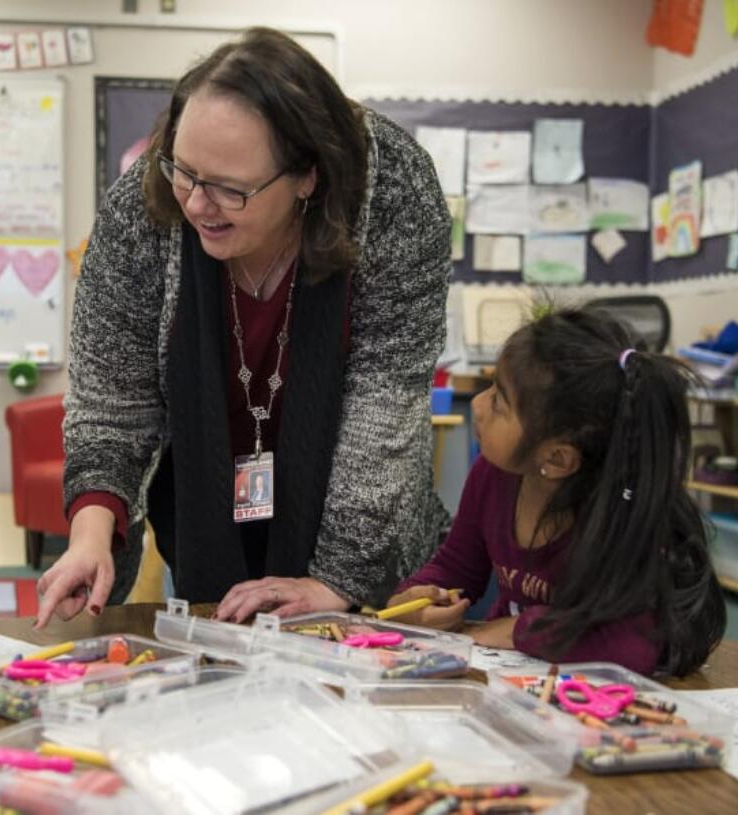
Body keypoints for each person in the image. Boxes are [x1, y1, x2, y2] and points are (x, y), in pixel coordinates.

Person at [36, 27, 452, 627]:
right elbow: (111, 405)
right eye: (184, 170)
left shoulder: (392, 192)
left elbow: (385, 405)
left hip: (358, 535)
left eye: (231, 190)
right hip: (206, 522)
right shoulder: (143, 204)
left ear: (308, 176)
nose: (197, 204)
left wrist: (335, 579)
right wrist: (91, 535)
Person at [385, 309, 726, 676]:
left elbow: (632, 643)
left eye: (499, 401)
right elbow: (456, 567)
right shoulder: (493, 475)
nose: (480, 406)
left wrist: (519, 630)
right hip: (513, 680)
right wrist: (413, 601)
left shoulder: (617, 516)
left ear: (558, 459)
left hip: (598, 697)